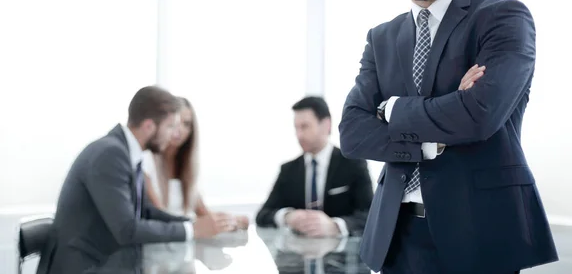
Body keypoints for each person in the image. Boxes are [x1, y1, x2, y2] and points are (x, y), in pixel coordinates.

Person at [338, 0, 558, 274]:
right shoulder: (381, 38)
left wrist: (390, 109)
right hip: (396, 235)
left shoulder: (502, 18)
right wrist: (433, 135)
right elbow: (352, 133)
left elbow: (479, 116)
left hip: (480, 232)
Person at [37, 86, 235, 274]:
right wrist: (190, 229)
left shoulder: (126, 153)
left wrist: (194, 223)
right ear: (149, 126)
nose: (174, 134)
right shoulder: (110, 154)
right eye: (170, 126)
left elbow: (147, 212)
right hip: (87, 268)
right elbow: (127, 229)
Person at [256, 96, 373, 237]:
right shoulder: (288, 170)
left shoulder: (353, 163)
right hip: (298, 253)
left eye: (305, 126)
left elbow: (370, 215)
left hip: (342, 254)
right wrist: (288, 216)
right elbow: (262, 215)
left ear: (326, 125)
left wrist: (335, 226)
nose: (299, 135)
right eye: (296, 127)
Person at [143, 96, 249, 229]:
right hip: (161, 240)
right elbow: (160, 216)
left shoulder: (187, 169)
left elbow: (204, 214)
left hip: (183, 241)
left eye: (186, 124)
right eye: (175, 123)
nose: (180, 129)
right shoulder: (147, 161)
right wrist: (197, 225)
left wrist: (230, 220)